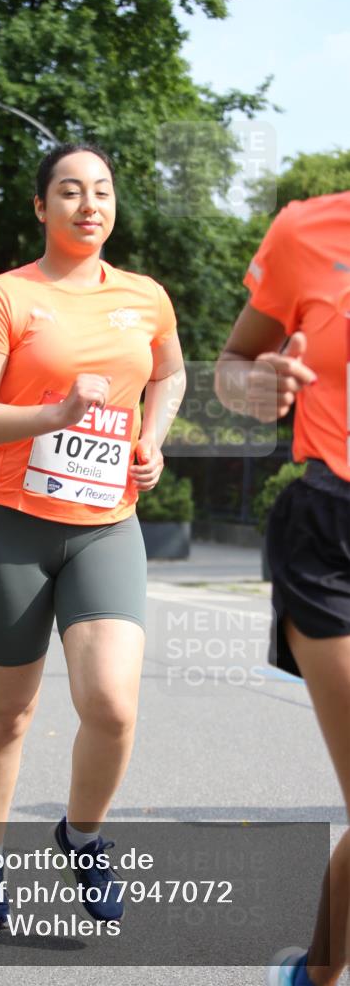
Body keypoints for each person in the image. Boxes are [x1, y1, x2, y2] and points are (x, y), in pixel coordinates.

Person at [0, 144, 185, 924]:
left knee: (111, 706)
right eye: (70, 192)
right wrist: (52, 415)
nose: (89, 204)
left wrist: (152, 439)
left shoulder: (146, 297)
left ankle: (82, 837)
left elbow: (169, 373)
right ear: (40, 207)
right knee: (7, 714)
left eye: (102, 191)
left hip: (105, 525)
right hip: (8, 526)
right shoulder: (4, 297)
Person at [215, 191, 350, 986]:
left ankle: (311, 974)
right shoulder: (307, 229)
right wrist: (253, 388)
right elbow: (234, 364)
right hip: (329, 533)